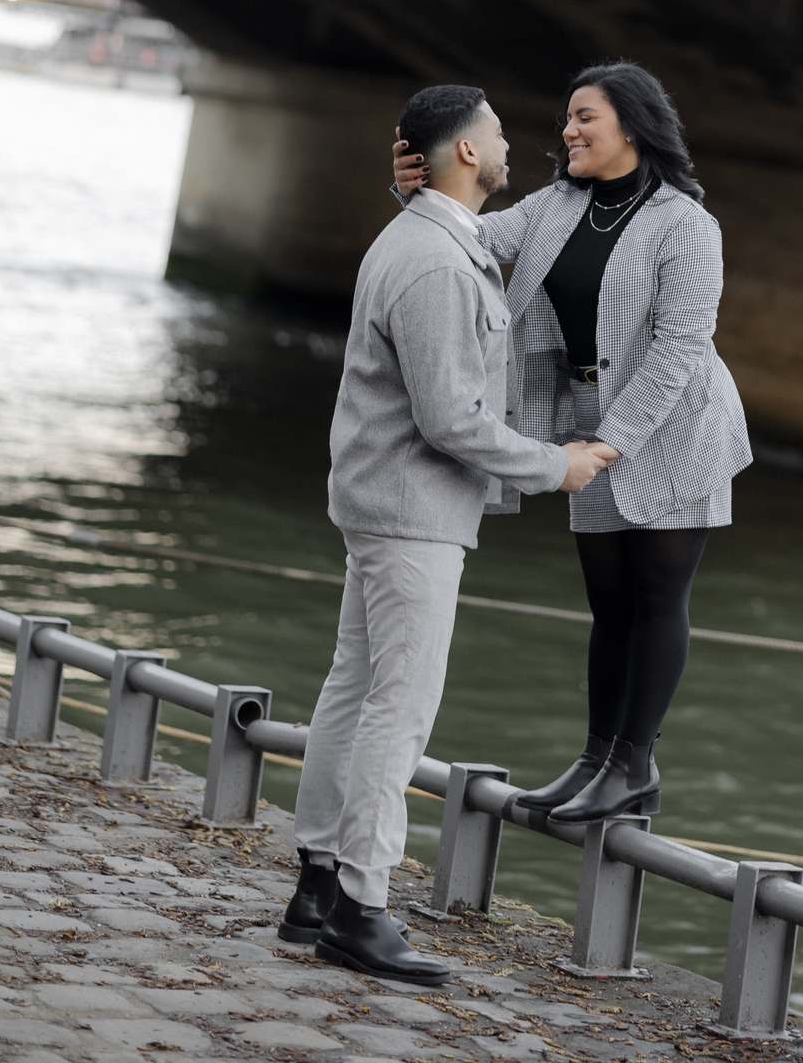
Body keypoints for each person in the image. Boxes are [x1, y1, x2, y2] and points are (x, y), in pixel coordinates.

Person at [282, 84, 609, 984]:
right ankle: (361, 906)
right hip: (412, 511)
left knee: (354, 688)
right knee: (401, 705)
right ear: (466, 151)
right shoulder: (434, 260)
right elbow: (450, 419)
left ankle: (316, 888)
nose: (510, 145)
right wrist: (553, 465)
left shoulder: (421, 236)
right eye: (496, 134)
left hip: (386, 503)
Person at [393, 61, 752, 825]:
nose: (568, 131)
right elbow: (468, 240)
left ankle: (634, 767)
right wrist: (414, 194)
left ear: (632, 123)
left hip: (676, 425)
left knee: (657, 598)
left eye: (585, 117)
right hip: (589, 420)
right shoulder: (556, 203)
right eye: (567, 118)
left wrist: (611, 444)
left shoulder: (687, 225)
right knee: (608, 603)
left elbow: (679, 350)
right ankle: (594, 760)